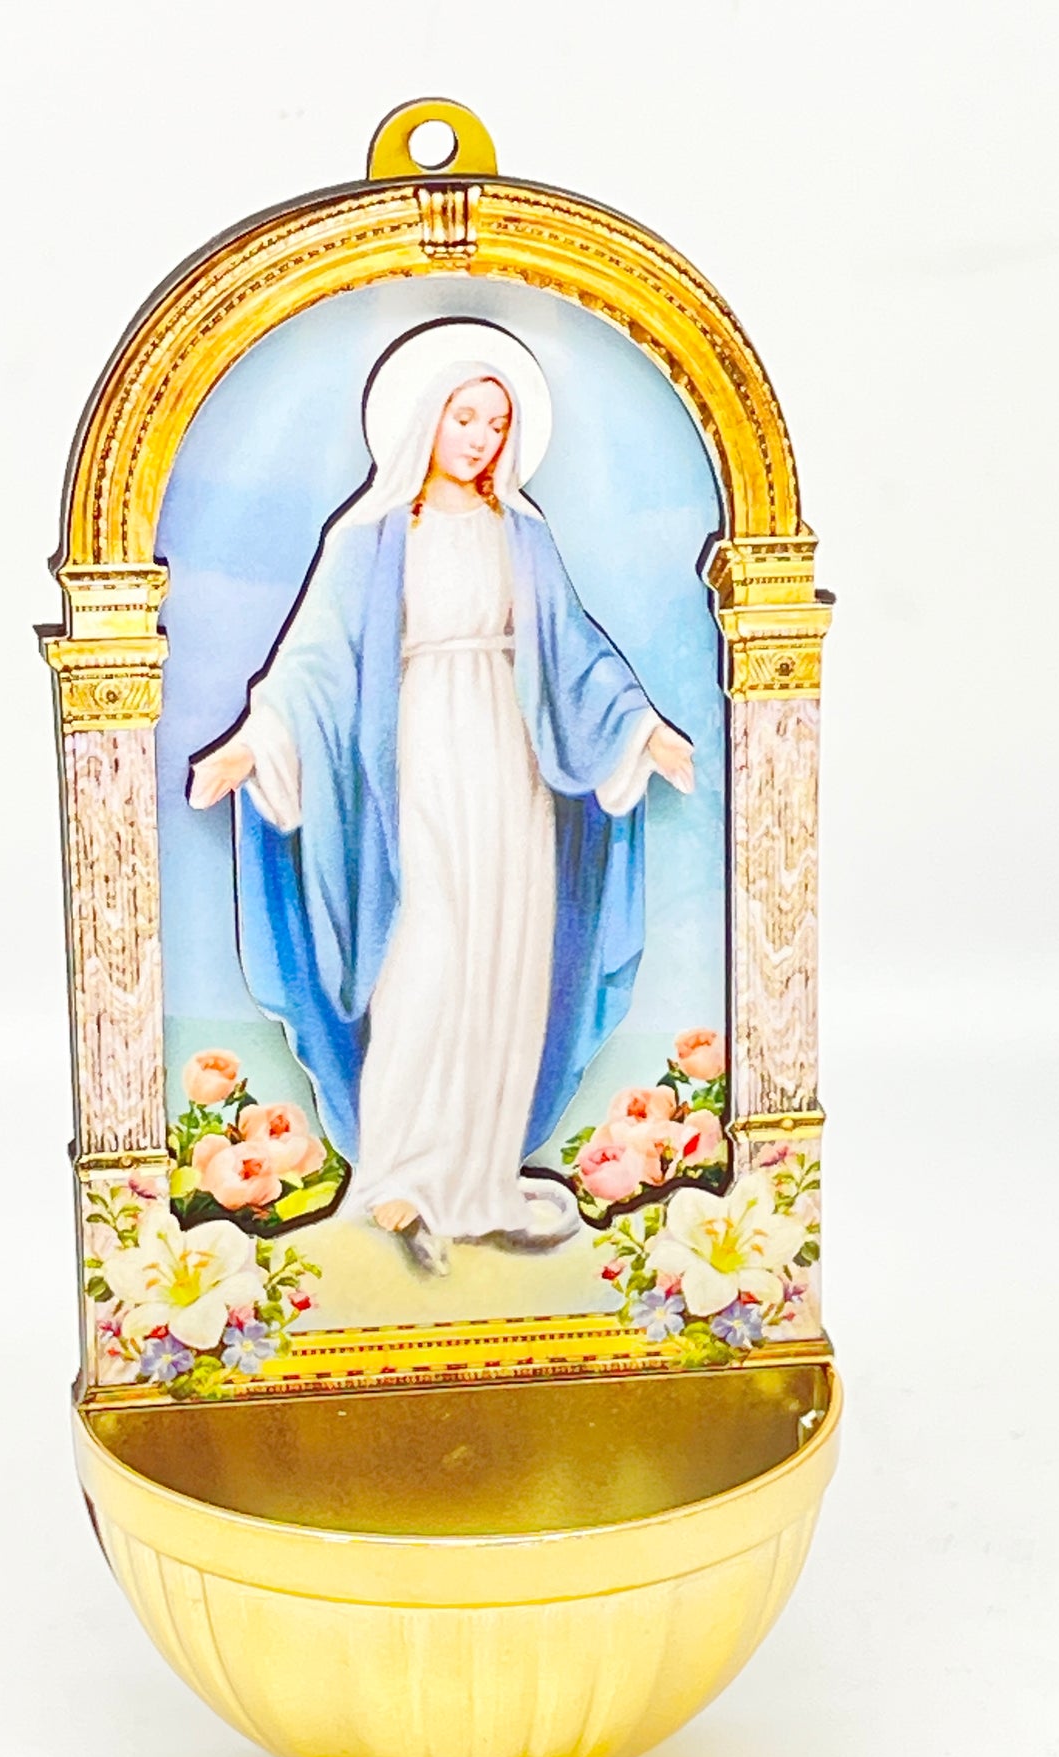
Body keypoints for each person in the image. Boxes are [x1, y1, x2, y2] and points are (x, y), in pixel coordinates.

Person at [189, 322, 693, 1274]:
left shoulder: (523, 534)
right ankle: (398, 1176)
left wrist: (641, 729)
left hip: (511, 762)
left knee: (506, 955)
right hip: (416, 753)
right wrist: (250, 746)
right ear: (425, 416)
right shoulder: (371, 537)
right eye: (465, 416)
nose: (481, 438)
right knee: (425, 950)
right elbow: (315, 662)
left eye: (497, 423)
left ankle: (481, 1187)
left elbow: (575, 652)